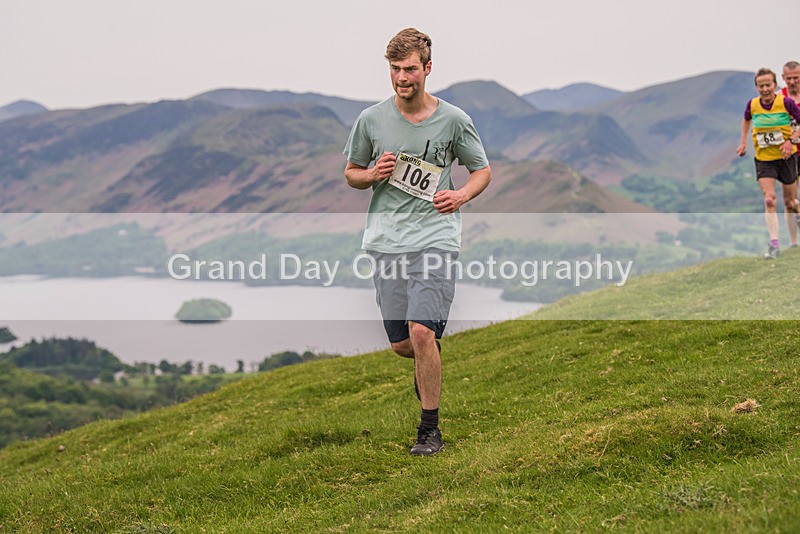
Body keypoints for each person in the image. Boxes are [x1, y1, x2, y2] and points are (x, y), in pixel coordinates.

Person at [343, 28, 491, 455]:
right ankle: (428, 354)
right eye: (394, 69)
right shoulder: (370, 120)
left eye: (409, 69)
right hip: (387, 241)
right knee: (403, 343)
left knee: (422, 332)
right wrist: (372, 174)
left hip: (436, 236)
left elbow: (481, 170)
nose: (401, 78)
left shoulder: (454, 120)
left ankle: (429, 432)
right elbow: (352, 172)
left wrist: (460, 194)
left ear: (428, 69)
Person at [736, 67, 800, 259]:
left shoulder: (786, 102)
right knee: (770, 199)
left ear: (775, 85)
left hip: (787, 158)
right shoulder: (752, 104)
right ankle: (774, 245)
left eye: (768, 85)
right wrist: (743, 142)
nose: (765, 89)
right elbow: (746, 119)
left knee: (790, 202)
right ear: (756, 87)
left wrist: (791, 141)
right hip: (764, 160)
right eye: (761, 85)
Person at [781, 61, 800, 234]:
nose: (793, 82)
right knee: (790, 201)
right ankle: (794, 244)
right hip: (789, 154)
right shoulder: (779, 98)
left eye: (796, 78)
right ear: (783, 78)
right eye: (789, 79)